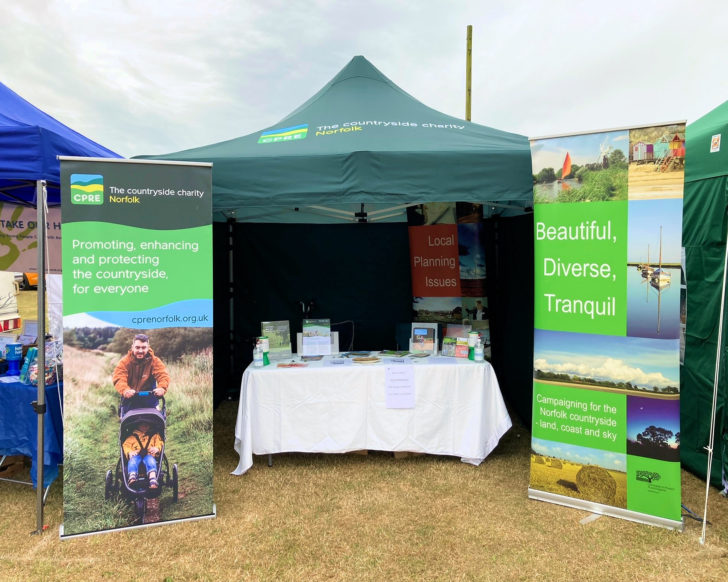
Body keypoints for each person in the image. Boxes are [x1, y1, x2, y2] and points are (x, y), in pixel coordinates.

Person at [113, 333, 170, 414]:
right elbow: (119, 378)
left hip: (150, 399)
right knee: (127, 422)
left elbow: (163, 375)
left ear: (148, 348)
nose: (140, 351)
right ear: (132, 347)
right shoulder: (124, 362)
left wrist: (162, 388)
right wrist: (125, 390)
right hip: (130, 398)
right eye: (137, 347)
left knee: (155, 421)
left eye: (143, 348)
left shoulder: (155, 361)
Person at [122, 421, 163, 488]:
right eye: (142, 425)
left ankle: (153, 479)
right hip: (136, 455)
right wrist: (129, 452)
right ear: (137, 426)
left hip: (149, 455)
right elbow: (126, 445)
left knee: (150, 461)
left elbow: (159, 443)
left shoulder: (155, 435)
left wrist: (157, 448)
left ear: (150, 425)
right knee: (132, 461)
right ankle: (132, 477)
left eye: (147, 425)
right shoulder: (132, 437)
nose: (145, 426)